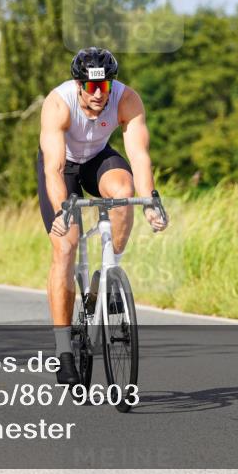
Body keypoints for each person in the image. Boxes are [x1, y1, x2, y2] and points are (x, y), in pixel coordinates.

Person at [37, 47, 168, 385]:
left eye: (104, 87)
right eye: (91, 88)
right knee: (65, 247)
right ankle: (64, 350)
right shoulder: (58, 103)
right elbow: (53, 167)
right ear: (78, 84)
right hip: (62, 167)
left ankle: (111, 271)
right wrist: (63, 210)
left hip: (97, 159)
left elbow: (139, 155)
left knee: (124, 193)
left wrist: (151, 200)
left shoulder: (127, 100)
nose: (98, 95)